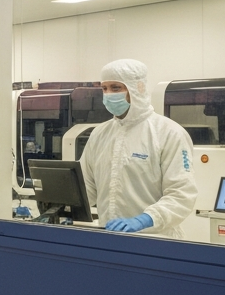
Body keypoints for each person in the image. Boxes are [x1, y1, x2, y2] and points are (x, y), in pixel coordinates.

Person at [81, 59, 198, 237]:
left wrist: (144, 220)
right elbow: (86, 186)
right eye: (104, 89)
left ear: (138, 88)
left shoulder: (169, 133)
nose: (108, 94)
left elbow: (181, 194)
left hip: (156, 240)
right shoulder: (99, 134)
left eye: (116, 88)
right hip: (108, 237)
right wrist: (60, 208)